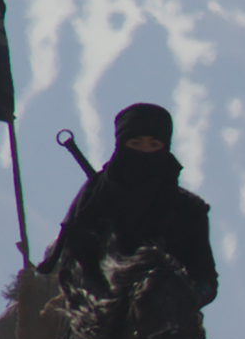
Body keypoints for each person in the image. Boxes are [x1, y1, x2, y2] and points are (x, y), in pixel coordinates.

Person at [38, 103, 216, 308]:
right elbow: (73, 266)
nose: (144, 152)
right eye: (135, 144)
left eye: (154, 145)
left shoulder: (190, 210)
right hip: (95, 314)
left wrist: (174, 301)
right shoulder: (94, 200)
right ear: (121, 145)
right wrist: (108, 303)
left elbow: (205, 281)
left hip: (167, 318)